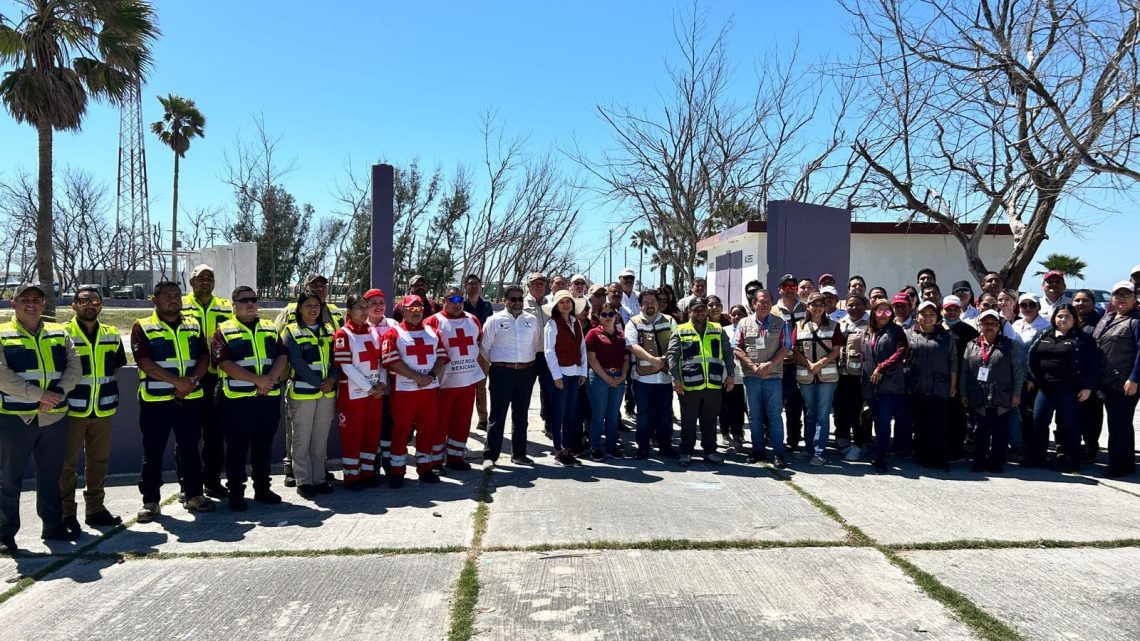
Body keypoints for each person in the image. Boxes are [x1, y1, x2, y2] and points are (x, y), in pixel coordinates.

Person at [0, 284, 82, 553]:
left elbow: (74, 366)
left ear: (44, 303)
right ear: (14, 303)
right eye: (24, 299)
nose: (31, 303)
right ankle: (5, 533)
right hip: (15, 418)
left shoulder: (59, 332)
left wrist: (58, 392)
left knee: (51, 475)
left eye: (36, 299)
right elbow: (2, 376)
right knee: (8, 478)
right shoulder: (2, 334)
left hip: (54, 416)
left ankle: (53, 525)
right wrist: (39, 396)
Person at [131, 281, 214, 522]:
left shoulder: (192, 324)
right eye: (167, 296)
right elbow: (144, 363)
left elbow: (204, 356)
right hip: (155, 401)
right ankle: (150, 501)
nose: (173, 300)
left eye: (177, 296)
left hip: (190, 399)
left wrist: (192, 381)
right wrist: (177, 383)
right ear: (154, 300)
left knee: (189, 449)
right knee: (153, 451)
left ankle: (194, 495)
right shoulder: (142, 327)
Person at [213, 286, 288, 511]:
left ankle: (262, 488)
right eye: (243, 300)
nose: (250, 304)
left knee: (263, 447)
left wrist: (270, 379)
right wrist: (257, 380)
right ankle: (236, 492)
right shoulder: (223, 330)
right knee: (237, 448)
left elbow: (282, 356)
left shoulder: (269, 328)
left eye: (253, 299)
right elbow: (224, 364)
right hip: (237, 402)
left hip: (267, 398)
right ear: (233, 305)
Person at [60, 286, 127, 533]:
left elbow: (116, 366)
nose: (90, 305)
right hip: (72, 411)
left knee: (99, 461)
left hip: (103, 410)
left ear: (101, 305)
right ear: (74, 305)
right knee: (67, 464)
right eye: (84, 301)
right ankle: (66, 513)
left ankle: (95, 509)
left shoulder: (111, 334)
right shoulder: (62, 333)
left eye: (95, 301)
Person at [275, 272, 342, 488]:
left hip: (327, 390)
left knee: (319, 437)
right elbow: (289, 357)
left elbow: (337, 356)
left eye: (323, 285)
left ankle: (319, 476)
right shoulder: (290, 321)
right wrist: (319, 382)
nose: (319, 289)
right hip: (301, 388)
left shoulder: (332, 320)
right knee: (299, 435)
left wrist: (331, 379)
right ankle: (301, 478)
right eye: (314, 286)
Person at [381, 295, 448, 485]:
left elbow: (442, 356)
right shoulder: (393, 333)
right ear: (403, 311)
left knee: (428, 430)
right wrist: (417, 377)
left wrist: (431, 376)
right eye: (411, 309)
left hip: (429, 390)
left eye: (419, 309)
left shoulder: (433, 332)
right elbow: (391, 361)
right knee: (401, 431)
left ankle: (425, 468)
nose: (416, 313)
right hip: (404, 392)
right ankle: (396, 471)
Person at [181, 264, 233, 499]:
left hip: (215, 377)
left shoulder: (225, 307)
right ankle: (187, 485)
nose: (205, 281)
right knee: (187, 435)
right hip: (188, 377)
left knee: (215, 433)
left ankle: (212, 481)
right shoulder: (180, 305)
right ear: (191, 282)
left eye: (209, 277)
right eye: (200, 277)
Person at [1026, 304, 1098, 472]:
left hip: (1070, 390)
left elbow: (1093, 365)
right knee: (1039, 421)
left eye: (1067, 316)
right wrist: (1030, 377)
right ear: (1054, 318)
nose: (1063, 319)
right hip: (1045, 389)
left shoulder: (1083, 339)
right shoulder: (1044, 335)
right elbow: (1032, 357)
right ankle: (1039, 456)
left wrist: (1088, 387)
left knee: (1070, 424)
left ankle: (1071, 458)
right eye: (1059, 316)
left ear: (1074, 319)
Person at [424, 286, 486, 471]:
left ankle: (456, 457)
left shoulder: (472, 320)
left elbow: (479, 344)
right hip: (443, 384)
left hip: (467, 382)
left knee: (462, 422)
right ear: (444, 300)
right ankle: (434, 461)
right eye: (452, 299)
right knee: (438, 423)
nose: (457, 303)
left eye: (460, 299)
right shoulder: (433, 321)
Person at [667, 297, 734, 466]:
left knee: (710, 421)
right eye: (696, 309)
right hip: (689, 384)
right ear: (689, 311)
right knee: (688, 421)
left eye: (703, 309)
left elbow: (727, 353)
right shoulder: (680, 330)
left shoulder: (718, 329)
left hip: (713, 383)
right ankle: (686, 451)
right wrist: (675, 379)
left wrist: (731, 375)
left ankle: (710, 451)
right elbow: (672, 356)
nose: (700, 312)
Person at [480, 285, 541, 467]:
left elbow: (536, 344)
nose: (517, 303)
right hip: (501, 372)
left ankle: (519, 454)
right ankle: (490, 456)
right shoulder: (494, 320)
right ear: (505, 300)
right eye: (513, 299)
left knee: (521, 415)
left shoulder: (532, 320)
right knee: (497, 416)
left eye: (520, 299)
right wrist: (495, 367)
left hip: (525, 372)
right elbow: (484, 348)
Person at [960, 309, 1024, 474]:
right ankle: (979, 461)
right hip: (979, 394)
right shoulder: (971, 344)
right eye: (985, 323)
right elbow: (965, 372)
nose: (989, 326)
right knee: (980, 431)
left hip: (1002, 395)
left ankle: (996, 462)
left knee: (1000, 432)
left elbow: (1018, 371)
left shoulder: (1010, 345)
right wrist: (963, 393)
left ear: (998, 326)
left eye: (993, 324)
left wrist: (1017, 393)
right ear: (979, 325)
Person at [734, 289, 790, 468]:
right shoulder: (743, 323)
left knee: (774, 415)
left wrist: (769, 364)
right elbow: (736, 347)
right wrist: (752, 365)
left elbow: (786, 347)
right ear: (753, 304)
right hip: (751, 377)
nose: (764, 304)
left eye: (768, 301)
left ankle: (778, 453)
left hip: (773, 376)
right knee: (754, 415)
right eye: (760, 301)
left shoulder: (781, 323)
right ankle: (758, 451)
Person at [335, 295, 386, 489]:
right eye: (359, 307)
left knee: (371, 433)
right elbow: (346, 367)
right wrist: (369, 387)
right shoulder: (343, 334)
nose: (364, 311)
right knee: (352, 435)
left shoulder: (373, 332)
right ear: (349, 311)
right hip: (353, 394)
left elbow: (381, 361)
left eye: (366, 307)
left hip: (374, 394)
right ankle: (351, 476)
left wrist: (381, 383)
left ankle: (367, 472)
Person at [1091, 281, 1140, 478]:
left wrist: (1134, 378)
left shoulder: (1136, 321)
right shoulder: (1108, 317)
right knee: (1122, 424)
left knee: (1118, 425)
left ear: (1134, 297)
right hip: (1106, 380)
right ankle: (1126, 462)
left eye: (1126, 294)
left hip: (1125, 382)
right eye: (1117, 295)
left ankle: (1117, 466)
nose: (1121, 298)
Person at [904, 300, 959, 471]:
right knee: (920, 423)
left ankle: (938, 458)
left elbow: (953, 360)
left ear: (937, 317)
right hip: (917, 385)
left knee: (938, 424)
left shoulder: (945, 337)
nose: (927, 318)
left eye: (931, 315)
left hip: (939, 386)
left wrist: (953, 384)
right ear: (917, 316)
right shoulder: (908, 335)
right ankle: (922, 455)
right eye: (924, 315)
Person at [626, 289, 678, 459]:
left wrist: (663, 359)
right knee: (644, 415)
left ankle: (665, 446)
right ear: (640, 305)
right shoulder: (633, 323)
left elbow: (676, 344)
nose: (650, 305)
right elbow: (632, 346)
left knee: (665, 414)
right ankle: (642, 448)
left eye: (653, 302)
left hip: (664, 378)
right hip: (642, 379)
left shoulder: (670, 321)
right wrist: (652, 359)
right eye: (646, 302)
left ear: (658, 304)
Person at [792, 293, 843, 466]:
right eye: (814, 304)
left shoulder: (834, 326)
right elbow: (795, 350)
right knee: (810, 413)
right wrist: (808, 364)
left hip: (827, 377)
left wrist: (819, 364)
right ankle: (809, 449)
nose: (818, 307)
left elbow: (836, 350)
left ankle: (820, 452)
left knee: (822, 414)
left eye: (821, 303)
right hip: (806, 376)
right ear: (808, 307)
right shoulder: (799, 326)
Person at [863, 299, 909, 474]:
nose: (883, 315)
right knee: (876, 420)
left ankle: (881, 457)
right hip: (870, 384)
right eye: (879, 311)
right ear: (873, 313)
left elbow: (901, 352)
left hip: (890, 385)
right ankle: (880, 451)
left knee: (883, 421)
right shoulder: (868, 332)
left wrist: (882, 367)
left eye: (887, 311)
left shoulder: (897, 331)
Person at [543, 290, 588, 466]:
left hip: (575, 373)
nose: (565, 305)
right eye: (561, 302)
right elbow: (549, 351)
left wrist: (583, 371)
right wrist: (556, 376)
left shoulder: (575, 322)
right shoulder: (552, 325)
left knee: (571, 414)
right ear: (556, 305)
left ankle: (568, 449)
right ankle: (558, 450)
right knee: (558, 413)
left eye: (568, 302)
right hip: (560, 374)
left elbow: (582, 348)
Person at [584, 301, 629, 460]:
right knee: (598, 415)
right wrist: (607, 378)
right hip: (598, 379)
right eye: (604, 314)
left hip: (618, 378)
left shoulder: (621, 335)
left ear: (616, 316)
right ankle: (595, 448)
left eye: (611, 314)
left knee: (612, 416)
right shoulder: (593, 333)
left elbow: (626, 358)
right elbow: (591, 359)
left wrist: (622, 376)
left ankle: (611, 447)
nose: (608, 317)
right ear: (598, 316)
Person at [942, 295, 980, 461]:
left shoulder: (970, 332)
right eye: (948, 309)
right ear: (942, 310)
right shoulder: (935, 328)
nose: (951, 313)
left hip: (960, 381)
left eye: (955, 309)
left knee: (957, 417)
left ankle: (957, 451)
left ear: (960, 311)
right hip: (938, 381)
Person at [834, 293, 869, 461]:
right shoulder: (841, 323)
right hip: (840, 374)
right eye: (850, 305)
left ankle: (860, 443)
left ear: (865, 305)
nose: (854, 308)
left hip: (860, 375)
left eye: (858, 305)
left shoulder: (870, 323)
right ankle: (842, 440)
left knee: (857, 411)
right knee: (841, 409)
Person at [775, 274, 807, 453]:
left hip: (802, 364)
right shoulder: (772, 310)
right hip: (781, 365)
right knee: (774, 405)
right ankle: (771, 438)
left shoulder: (807, 308)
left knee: (797, 405)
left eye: (793, 286)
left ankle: (794, 440)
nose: (789, 289)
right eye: (785, 286)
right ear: (779, 289)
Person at [1072, 288, 1104, 461]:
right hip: (1072, 379)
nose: (1081, 303)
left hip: (1093, 379)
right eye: (1077, 300)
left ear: (1093, 303)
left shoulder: (1100, 323)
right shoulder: (1069, 321)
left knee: (1092, 416)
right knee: (1073, 416)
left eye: (1085, 300)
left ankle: (1091, 446)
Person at [523, 272, 553, 436]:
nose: (539, 286)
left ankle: (549, 424)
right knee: (525, 393)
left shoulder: (551, 303)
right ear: (528, 286)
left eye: (542, 283)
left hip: (548, 355)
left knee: (548, 390)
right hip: (529, 355)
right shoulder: (522, 303)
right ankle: (521, 428)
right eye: (535, 283)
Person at [463, 274, 494, 432]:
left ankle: (483, 419)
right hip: (464, 351)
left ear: (481, 286)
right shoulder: (460, 304)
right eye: (470, 284)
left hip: (482, 350)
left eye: (476, 283)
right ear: (466, 287)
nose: (473, 286)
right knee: (465, 387)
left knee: (481, 386)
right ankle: (462, 419)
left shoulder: (487, 306)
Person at [718, 304, 749, 451]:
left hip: (742, 375)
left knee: (739, 407)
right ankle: (725, 433)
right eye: (734, 314)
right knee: (724, 407)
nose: (737, 317)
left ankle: (737, 433)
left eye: (740, 314)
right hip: (725, 374)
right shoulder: (724, 330)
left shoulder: (749, 329)